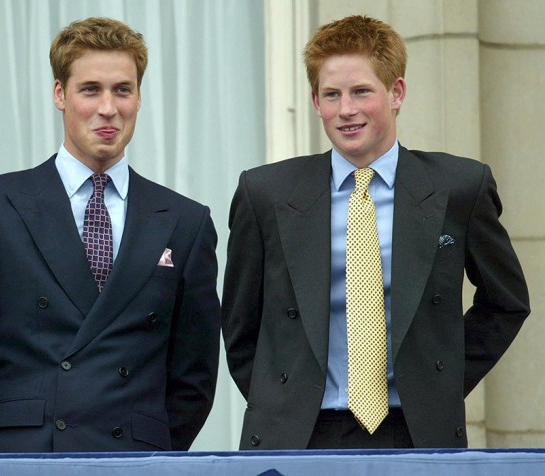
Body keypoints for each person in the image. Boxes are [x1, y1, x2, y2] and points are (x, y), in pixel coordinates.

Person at [0, 17, 220, 453]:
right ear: (60, 94)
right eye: (90, 89)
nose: (108, 108)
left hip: (135, 458)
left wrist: (153, 450)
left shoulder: (184, 220)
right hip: (25, 453)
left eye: (122, 90)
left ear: (139, 97)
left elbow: (194, 373)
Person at [222, 15, 530, 449]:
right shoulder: (265, 193)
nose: (345, 110)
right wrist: (280, 397)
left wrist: (438, 379)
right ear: (315, 102)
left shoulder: (460, 187)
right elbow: (239, 323)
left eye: (361, 91)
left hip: (416, 429)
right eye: (331, 95)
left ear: (396, 93)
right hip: (297, 433)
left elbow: (506, 301)